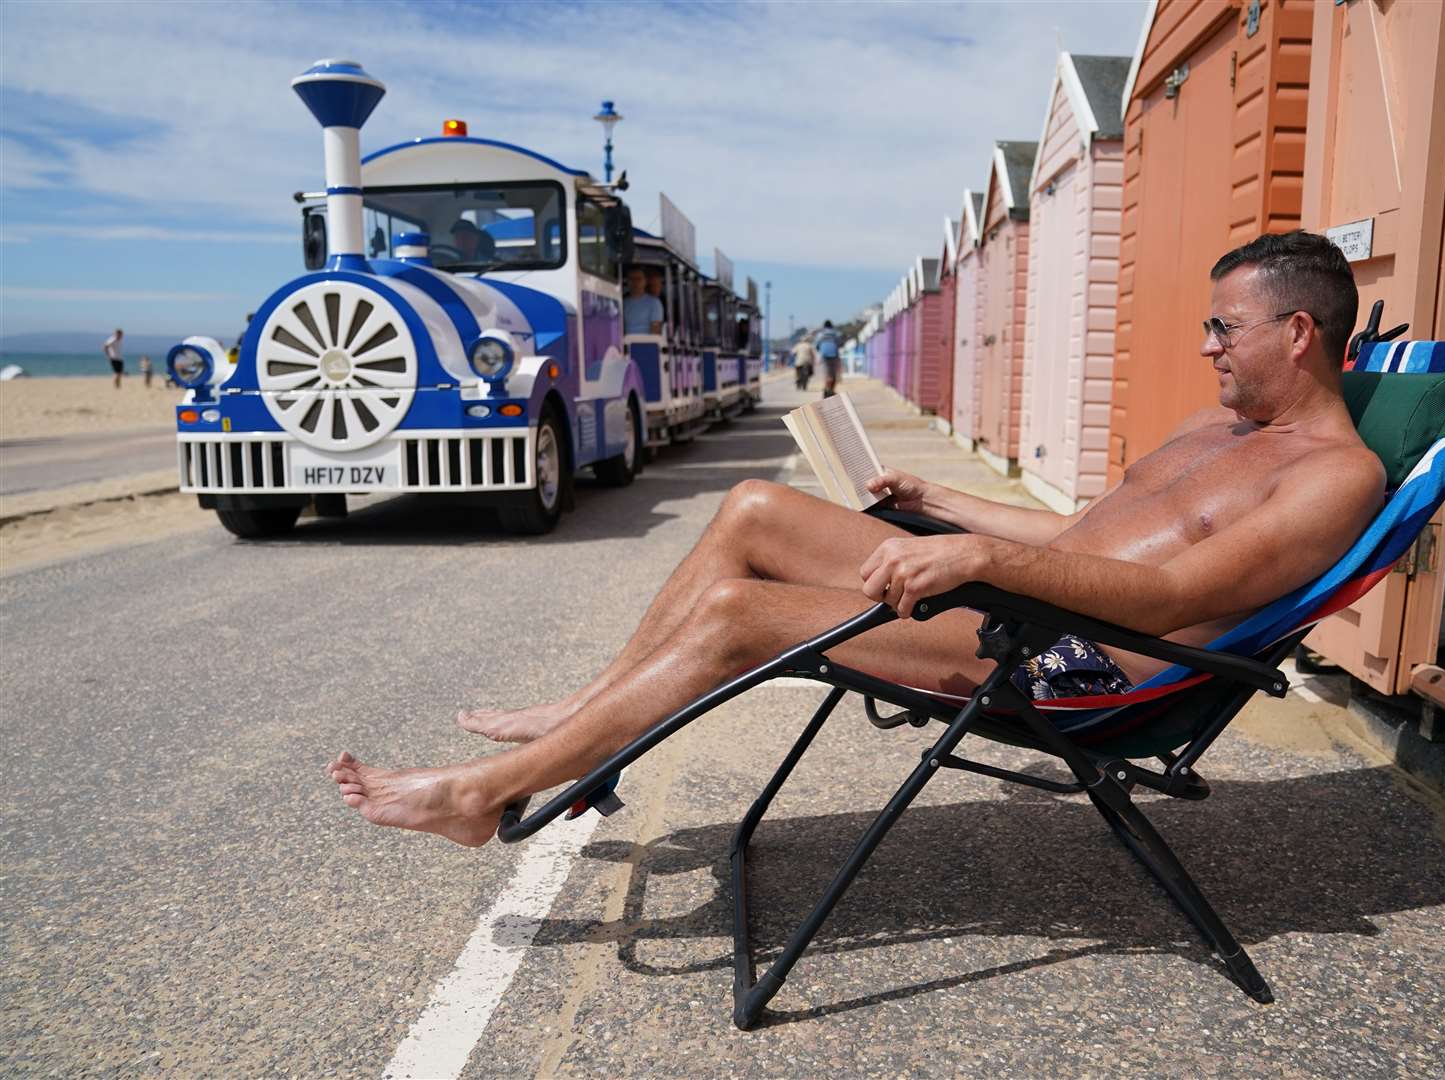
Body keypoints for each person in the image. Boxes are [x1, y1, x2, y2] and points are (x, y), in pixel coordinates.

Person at [328, 230, 1385, 847]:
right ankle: (587, 719)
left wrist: (979, 562)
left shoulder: (1334, 478)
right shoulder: (1219, 427)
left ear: (1298, 333)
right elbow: (1087, 533)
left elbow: (1161, 601)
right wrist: (951, 506)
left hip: (1072, 655)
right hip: (1030, 597)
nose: (1206, 347)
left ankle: (485, 798)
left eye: (1223, 329)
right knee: (753, 505)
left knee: (743, 615)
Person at [623, 267, 664, 335]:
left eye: (638, 279)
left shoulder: (654, 303)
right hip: (625, 344)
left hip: (646, 343)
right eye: (631, 279)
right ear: (627, 281)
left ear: (645, 281)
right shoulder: (622, 303)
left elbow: (655, 332)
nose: (635, 282)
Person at [814, 320, 841, 397]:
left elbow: (816, 345)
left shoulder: (820, 334)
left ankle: (826, 389)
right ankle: (831, 390)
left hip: (824, 355)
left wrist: (821, 350)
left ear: (824, 326)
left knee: (827, 373)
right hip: (834, 354)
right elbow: (840, 343)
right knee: (833, 373)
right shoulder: (836, 333)